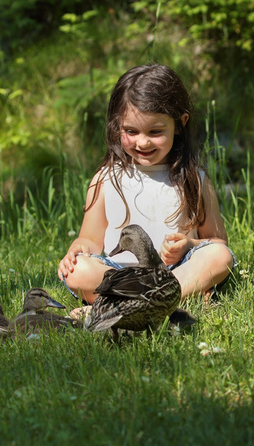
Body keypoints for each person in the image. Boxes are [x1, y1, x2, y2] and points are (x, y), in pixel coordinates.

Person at [58, 64, 236, 310]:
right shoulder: (106, 178)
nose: (142, 141)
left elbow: (217, 241)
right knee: (79, 272)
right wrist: (79, 248)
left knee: (219, 257)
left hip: (174, 273)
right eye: (131, 131)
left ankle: (120, 307)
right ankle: (162, 303)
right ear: (116, 124)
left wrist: (187, 245)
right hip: (120, 275)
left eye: (155, 131)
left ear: (179, 124)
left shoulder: (194, 179)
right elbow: (90, 238)